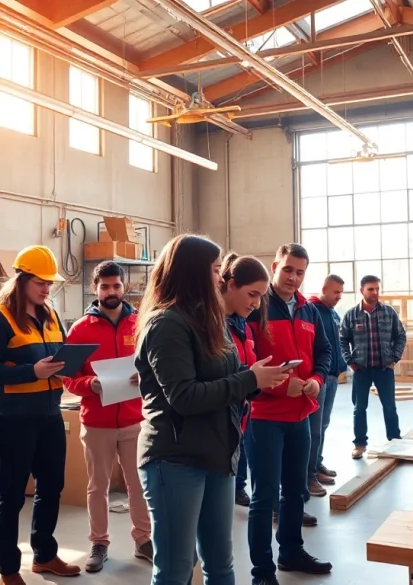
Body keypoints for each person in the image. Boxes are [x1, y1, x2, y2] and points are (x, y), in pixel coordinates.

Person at [136, 234, 289, 585]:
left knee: (221, 564)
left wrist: (258, 380)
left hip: (218, 455)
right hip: (175, 459)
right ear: (192, 273)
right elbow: (184, 397)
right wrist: (249, 380)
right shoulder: (166, 324)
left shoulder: (212, 322)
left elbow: (226, 382)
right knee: (176, 569)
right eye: (216, 270)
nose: (221, 279)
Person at [0, 245, 81, 585]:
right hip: (14, 417)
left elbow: (56, 356)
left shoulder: (49, 314)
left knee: (52, 487)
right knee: (11, 494)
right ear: (21, 280)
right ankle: (8, 569)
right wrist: (30, 372)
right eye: (41, 282)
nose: (47, 289)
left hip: (50, 414)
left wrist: (65, 368)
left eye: (50, 283)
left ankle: (45, 555)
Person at [246, 243, 334, 584]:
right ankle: (262, 572)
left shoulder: (309, 310)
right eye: (287, 270)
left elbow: (325, 351)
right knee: (264, 497)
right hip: (265, 417)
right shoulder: (256, 308)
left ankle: (291, 552)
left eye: (299, 272)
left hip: (301, 415)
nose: (293, 278)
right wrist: (283, 387)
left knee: (296, 491)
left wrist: (314, 380)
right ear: (274, 266)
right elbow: (244, 365)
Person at [65, 261, 151, 573]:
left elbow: (154, 364)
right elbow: (68, 376)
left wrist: (146, 378)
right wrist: (91, 384)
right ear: (94, 288)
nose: (111, 292)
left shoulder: (140, 323)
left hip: (133, 420)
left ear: (124, 286)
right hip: (97, 422)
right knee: (97, 486)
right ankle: (99, 542)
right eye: (105, 287)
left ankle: (143, 540)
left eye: (116, 286)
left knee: (138, 484)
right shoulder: (80, 330)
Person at [219, 253, 270, 508]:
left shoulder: (244, 326)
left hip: (239, 418)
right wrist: (251, 377)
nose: (257, 304)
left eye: (261, 296)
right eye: (252, 295)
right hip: (217, 427)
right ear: (230, 285)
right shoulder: (213, 328)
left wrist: (259, 378)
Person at [339, 275, 406, 460]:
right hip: (361, 370)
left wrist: (394, 358)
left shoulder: (389, 313)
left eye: (377, 288)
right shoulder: (351, 315)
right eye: (370, 289)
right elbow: (343, 340)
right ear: (362, 291)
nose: (375, 292)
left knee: (390, 407)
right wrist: (350, 361)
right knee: (359, 408)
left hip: (385, 369)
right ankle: (360, 444)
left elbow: (400, 335)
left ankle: (395, 442)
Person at [305, 274, 347, 495]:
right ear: (324, 288)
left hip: (332, 376)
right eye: (335, 292)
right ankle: (308, 475)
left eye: (341, 292)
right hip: (318, 378)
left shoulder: (333, 313)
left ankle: (317, 463)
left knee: (322, 426)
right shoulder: (312, 311)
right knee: (313, 429)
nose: (339, 296)